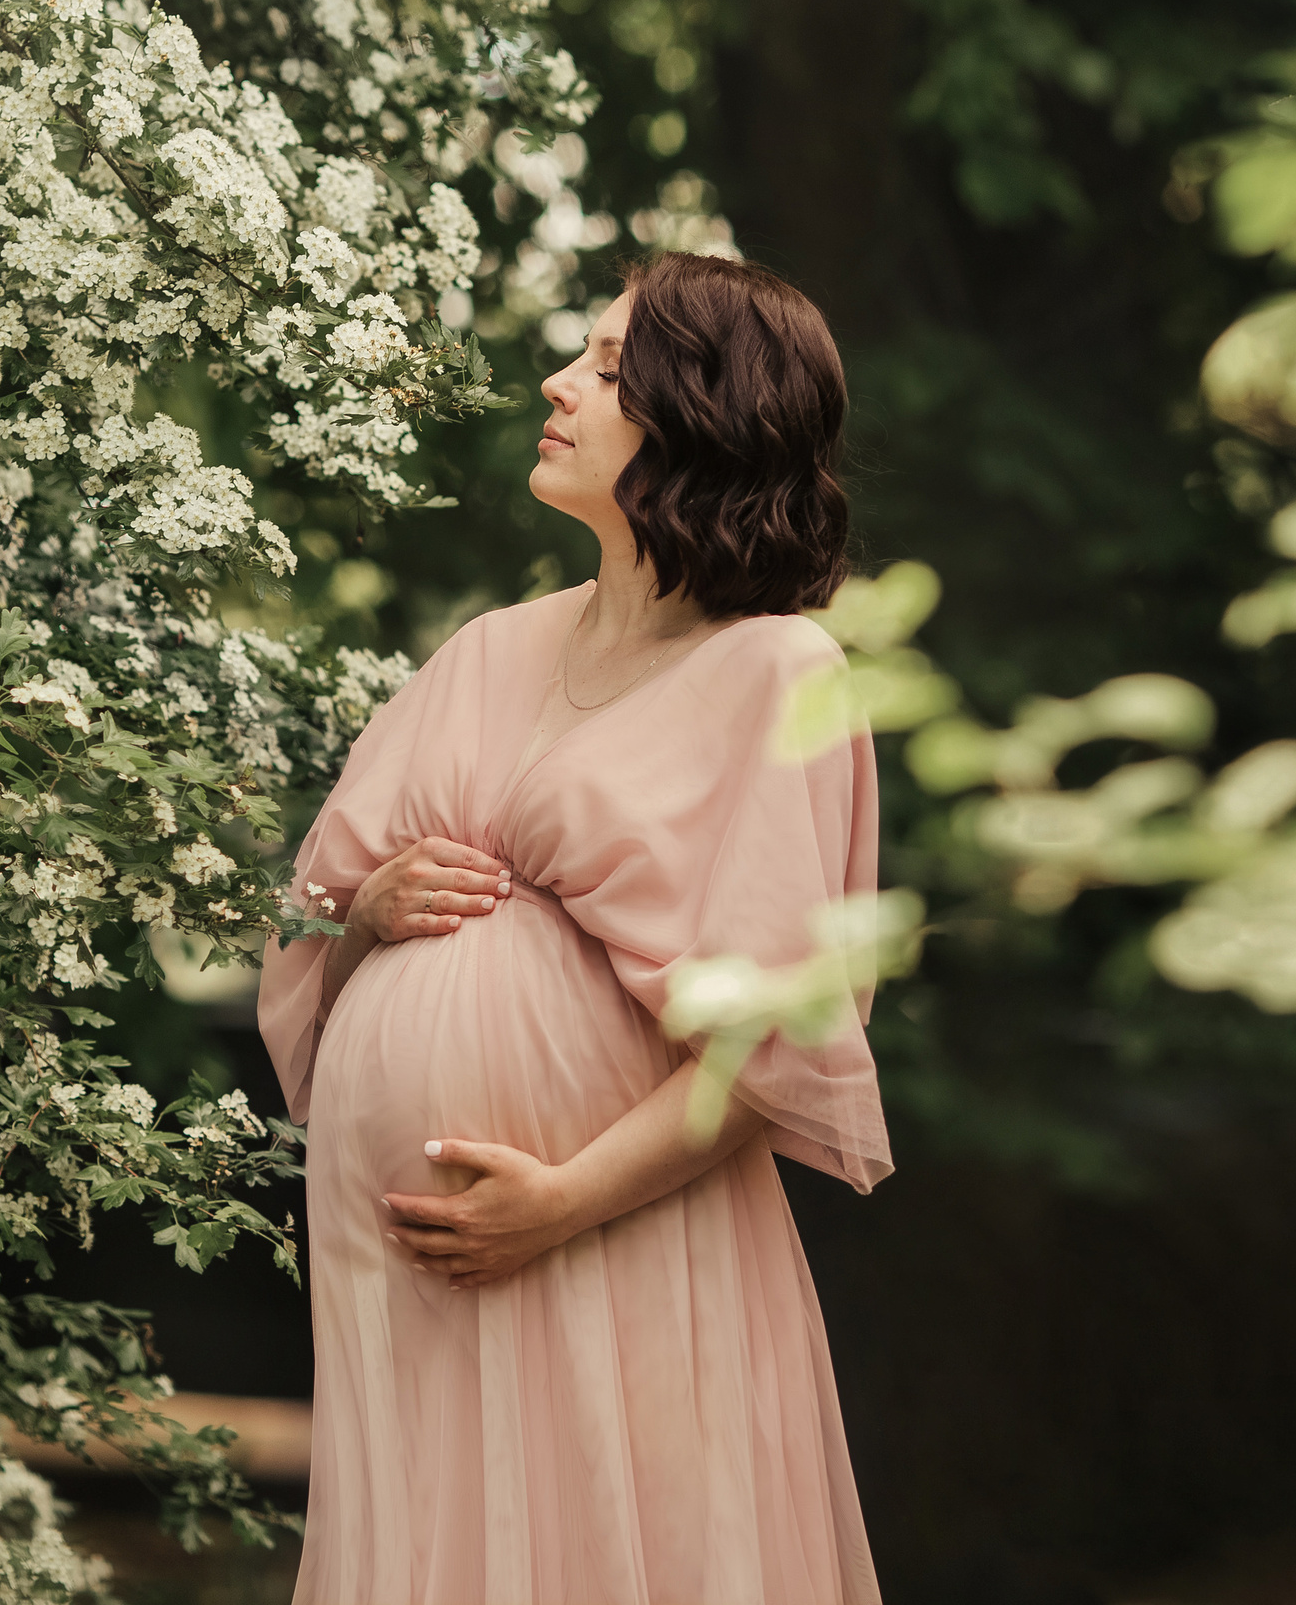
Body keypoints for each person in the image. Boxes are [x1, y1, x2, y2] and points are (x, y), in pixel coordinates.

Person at [256, 252, 891, 1605]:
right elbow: (311, 919)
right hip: (413, 1272)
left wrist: (555, 1205)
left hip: (617, 1241)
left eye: (609, 369)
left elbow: (770, 1045)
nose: (556, 385)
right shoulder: (488, 650)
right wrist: (365, 914)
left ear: (708, 415)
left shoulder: (776, 672)